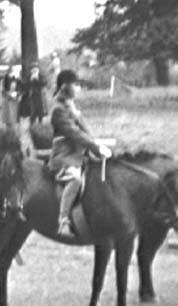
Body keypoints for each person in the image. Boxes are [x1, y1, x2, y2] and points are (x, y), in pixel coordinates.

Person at [48, 70, 112, 238]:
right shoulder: (58, 109)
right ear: (64, 86)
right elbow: (74, 133)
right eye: (76, 85)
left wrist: (96, 143)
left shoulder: (71, 106)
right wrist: (96, 148)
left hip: (79, 155)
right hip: (64, 157)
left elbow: (85, 131)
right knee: (75, 180)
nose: (79, 88)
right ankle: (63, 222)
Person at [0, 65, 21, 134]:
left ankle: (15, 133)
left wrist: (16, 95)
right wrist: (8, 95)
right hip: (7, 100)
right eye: (9, 72)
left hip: (15, 101)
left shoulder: (17, 80)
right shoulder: (3, 81)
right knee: (8, 119)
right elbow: (2, 91)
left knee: (14, 118)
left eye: (12, 71)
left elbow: (20, 89)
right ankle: (8, 133)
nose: (11, 73)